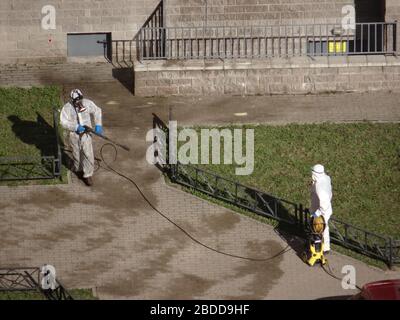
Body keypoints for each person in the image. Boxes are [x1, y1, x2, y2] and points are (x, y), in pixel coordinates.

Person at [60, 89, 103, 186]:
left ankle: (88, 175)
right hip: (74, 135)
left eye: (80, 101)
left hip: (86, 135)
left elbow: (97, 111)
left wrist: (98, 124)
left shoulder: (87, 103)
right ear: (72, 101)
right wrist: (75, 127)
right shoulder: (67, 108)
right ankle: (78, 169)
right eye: (76, 102)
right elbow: (63, 122)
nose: (79, 103)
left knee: (88, 154)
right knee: (76, 154)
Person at [310, 164, 333, 253]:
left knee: (321, 228)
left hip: (321, 211)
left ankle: (323, 248)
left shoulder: (319, 186)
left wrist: (318, 213)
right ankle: (321, 246)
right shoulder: (326, 178)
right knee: (319, 228)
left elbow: (324, 202)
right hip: (320, 207)